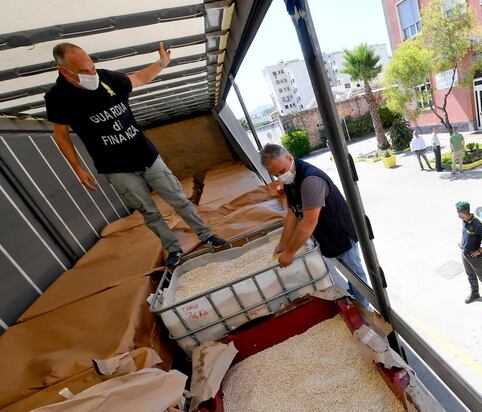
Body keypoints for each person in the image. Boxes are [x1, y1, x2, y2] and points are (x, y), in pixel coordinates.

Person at [44, 42, 226, 266]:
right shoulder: (57, 97)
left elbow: (139, 79)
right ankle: (173, 249)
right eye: (84, 72)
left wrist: (162, 63)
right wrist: (78, 168)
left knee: (179, 199)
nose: (92, 74)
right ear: (64, 71)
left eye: (92, 67)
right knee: (148, 212)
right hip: (116, 168)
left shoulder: (107, 78)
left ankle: (206, 235)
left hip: (146, 156)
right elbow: (61, 135)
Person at [260, 144, 370, 308]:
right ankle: (352, 303)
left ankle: (363, 309)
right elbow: (292, 213)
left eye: (282, 171)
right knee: (344, 271)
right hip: (325, 235)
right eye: (276, 175)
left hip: (340, 233)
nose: (280, 177)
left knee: (356, 276)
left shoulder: (310, 180)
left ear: (289, 158)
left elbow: (308, 222)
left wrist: (290, 252)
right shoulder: (291, 179)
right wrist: (282, 244)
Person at [456, 201, 482, 305]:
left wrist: (479, 251)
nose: (457, 214)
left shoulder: (476, 224)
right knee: (470, 275)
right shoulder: (464, 220)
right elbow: (464, 232)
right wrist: (462, 243)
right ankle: (475, 293)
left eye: (458, 212)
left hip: (475, 257)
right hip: (464, 253)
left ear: (463, 212)